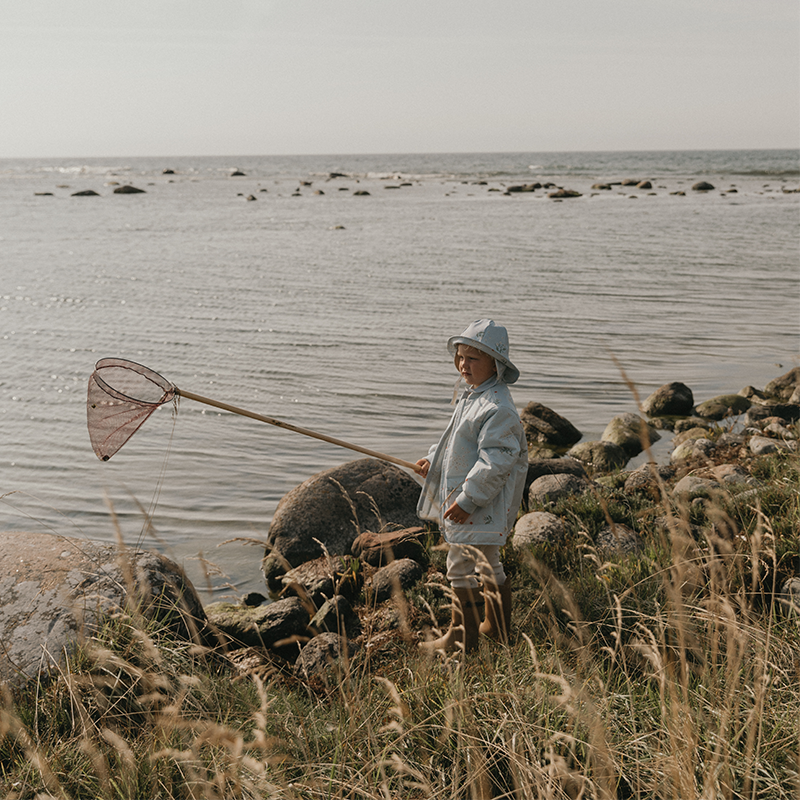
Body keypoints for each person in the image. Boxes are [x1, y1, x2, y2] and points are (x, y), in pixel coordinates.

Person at [416, 319, 528, 653]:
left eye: (474, 359)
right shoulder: (475, 397)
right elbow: (456, 443)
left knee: (462, 565)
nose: (464, 364)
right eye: (461, 357)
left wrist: (468, 500)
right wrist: (432, 460)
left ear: (496, 363)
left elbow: (497, 460)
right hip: (475, 502)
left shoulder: (497, 408)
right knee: (486, 563)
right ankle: (495, 629)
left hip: (481, 503)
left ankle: (463, 637)